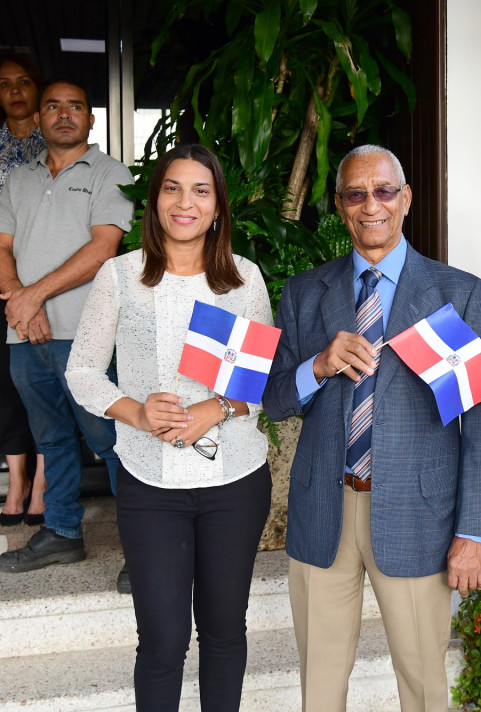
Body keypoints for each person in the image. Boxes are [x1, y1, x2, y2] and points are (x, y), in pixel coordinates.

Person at [264, 144, 481, 712]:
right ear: (341, 208)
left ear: (406, 199)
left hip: (419, 517)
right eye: (355, 194)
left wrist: (474, 533)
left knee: (423, 685)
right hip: (326, 509)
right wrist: (317, 366)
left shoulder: (456, 292)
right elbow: (273, 402)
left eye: (384, 191)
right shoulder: (304, 292)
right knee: (319, 686)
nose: (371, 205)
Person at [65, 144, 272, 711]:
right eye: (172, 188)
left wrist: (218, 407)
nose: (186, 202)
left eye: (201, 190)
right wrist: (133, 410)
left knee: (225, 632)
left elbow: (257, 380)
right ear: (154, 200)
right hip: (150, 485)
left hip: (235, 480)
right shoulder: (120, 276)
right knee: (162, 640)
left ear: (218, 207)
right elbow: (81, 369)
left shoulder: (243, 280)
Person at [0, 76, 133, 572]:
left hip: (85, 332)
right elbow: (2, 246)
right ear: (37, 120)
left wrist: (31, 296)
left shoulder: (108, 172)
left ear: (90, 119)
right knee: (49, 436)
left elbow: (103, 249)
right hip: (23, 335)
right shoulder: (18, 179)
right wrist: (22, 304)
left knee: (110, 439)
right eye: (52, 106)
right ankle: (60, 531)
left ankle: (139, 545)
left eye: (75, 106)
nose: (63, 114)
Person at [0, 54, 47, 526]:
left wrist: (31, 296)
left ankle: (42, 485)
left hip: (48, 287)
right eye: (4, 83)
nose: (14, 90)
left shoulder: (53, 143)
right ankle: (15, 482)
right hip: (3, 284)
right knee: (7, 388)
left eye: (24, 82)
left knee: (44, 388)